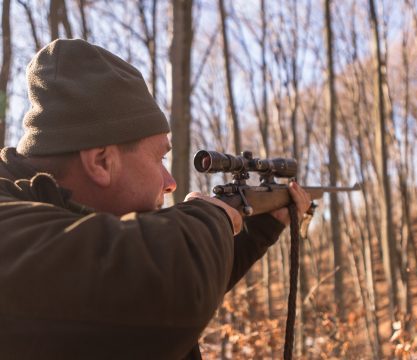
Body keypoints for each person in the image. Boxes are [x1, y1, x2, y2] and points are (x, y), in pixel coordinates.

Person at [0, 39, 311, 359]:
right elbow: (148, 281)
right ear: (101, 162)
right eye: (159, 158)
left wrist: (262, 228)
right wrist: (212, 216)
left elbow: (152, 305)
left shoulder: (63, 213)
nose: (170, 182)